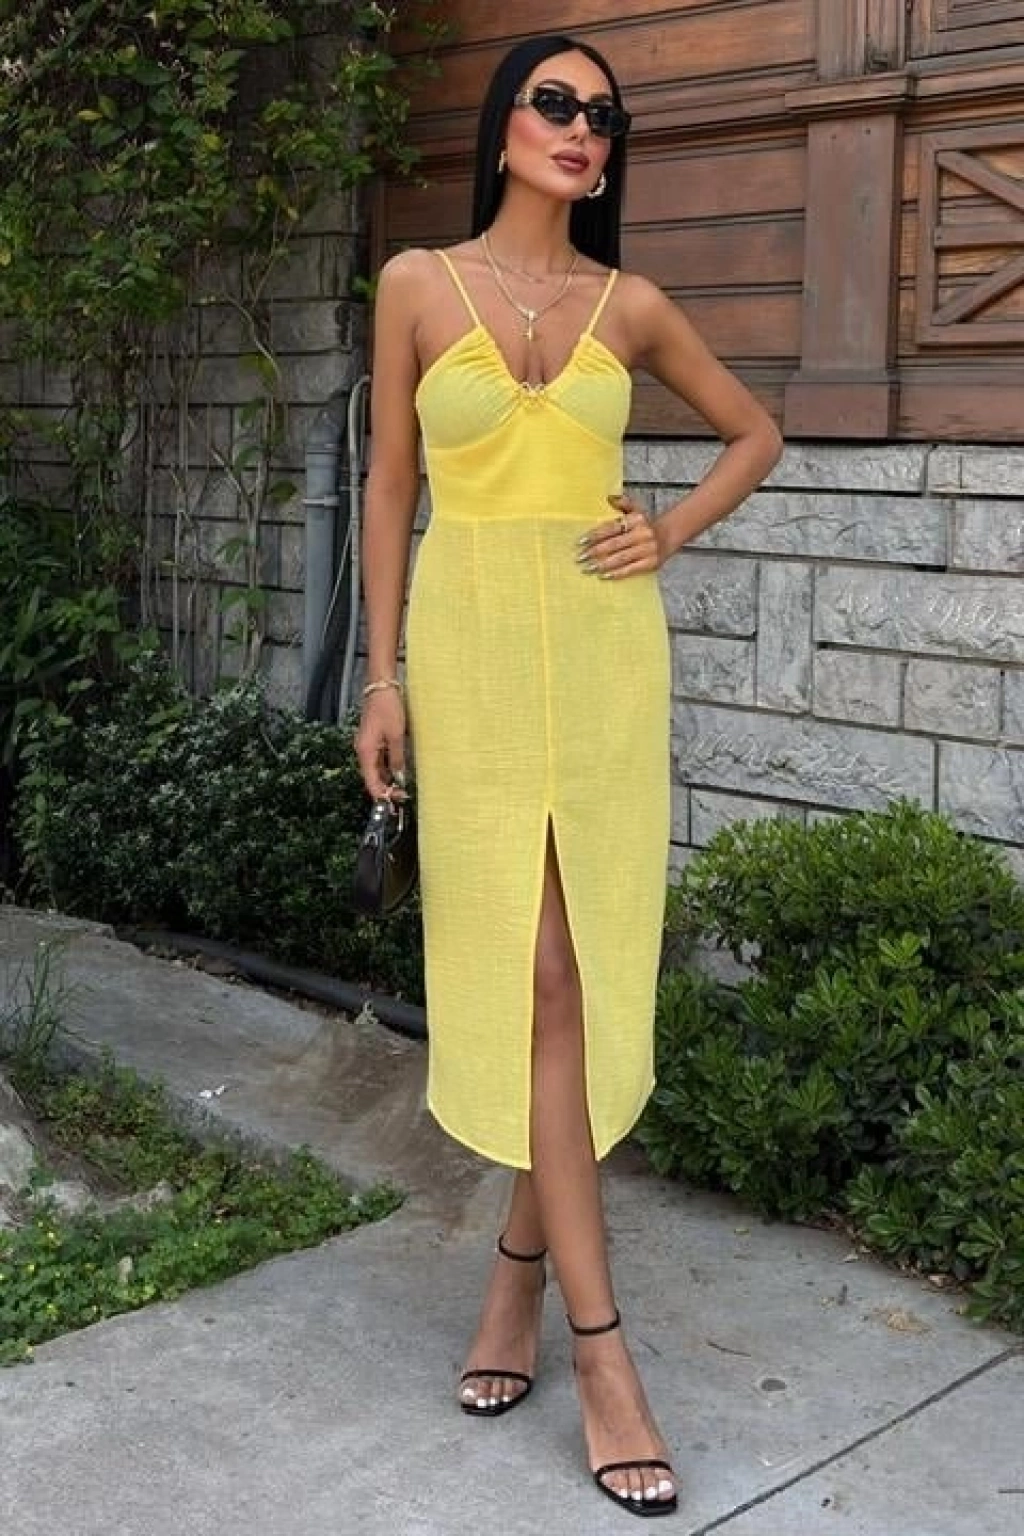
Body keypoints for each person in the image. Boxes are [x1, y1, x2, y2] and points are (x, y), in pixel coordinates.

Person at [355, 32, 782, 1519]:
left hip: (603, 664)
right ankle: (592, 1341)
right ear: (504, 125)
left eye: (602, 115)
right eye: (554, 102)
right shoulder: (416, 283)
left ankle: (529, 1287)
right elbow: (392, 482)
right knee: (534, 976)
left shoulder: (633, 304)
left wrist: (667, 530)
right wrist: (382, 677)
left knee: (577, 980)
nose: (580, 127)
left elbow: (755, 432)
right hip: (469, 653)